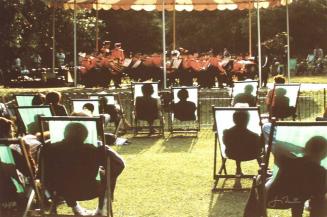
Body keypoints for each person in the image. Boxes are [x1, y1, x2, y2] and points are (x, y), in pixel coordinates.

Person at [42, 122, 125, 216]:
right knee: (106, 176)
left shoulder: (49, 148)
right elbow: (120, 164)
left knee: (65, 176)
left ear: (65, 133)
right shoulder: (95, 149)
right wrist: (108, 177)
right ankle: (102, 209)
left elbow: (42, 173)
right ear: (85, 136)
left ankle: (75, 207)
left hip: (59, 191)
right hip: (90, 189)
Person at [266, 136, 327, 217]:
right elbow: (320, 194)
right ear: (324, 154)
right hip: (297, 200)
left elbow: (277, 145)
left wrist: (301, 149)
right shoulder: (322, 173)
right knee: (321, 198)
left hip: (272, 200)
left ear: (307, 148)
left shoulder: (289, 162)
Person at [223, 110, 262, 175]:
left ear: (233, 120)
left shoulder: (227, 133)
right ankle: (263, 167)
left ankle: (238, 169)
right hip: (250, 155)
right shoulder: (254, 136)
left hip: (232, 154)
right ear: (248, 120)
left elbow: (226, 144)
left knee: (237, 147)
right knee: (259, 149)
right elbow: (259, 148)